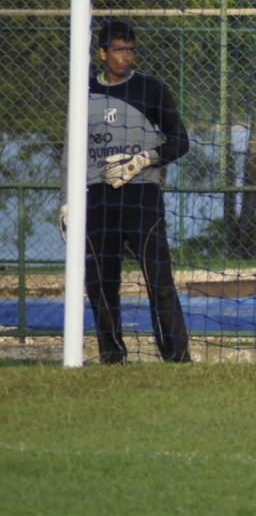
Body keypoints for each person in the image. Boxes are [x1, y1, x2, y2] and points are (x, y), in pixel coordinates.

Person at [59, 19, 192, 363]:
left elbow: (181, 142)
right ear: (102, 52)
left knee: (159, 280)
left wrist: (144, 159)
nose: (125, 57)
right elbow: (69, 152)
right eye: (118, 50)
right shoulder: (82, 92)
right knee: (101, 284)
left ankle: (177, 357)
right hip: (97, 200)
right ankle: (112, 356)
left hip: (142, 198)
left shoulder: (152, 90)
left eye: (130, 50)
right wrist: (65, 203)